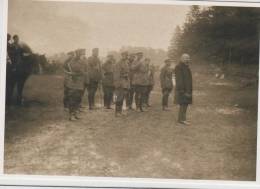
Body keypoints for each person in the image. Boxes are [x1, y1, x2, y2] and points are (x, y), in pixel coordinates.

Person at [65, 49, 86, 121]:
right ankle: (71, 115)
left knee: (78, 99)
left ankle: (75, 114)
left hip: (80, 83)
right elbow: (77, 70)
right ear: (76, 53)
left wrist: (82, 72)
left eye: (81, 54)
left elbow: (83, 70)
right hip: (74, 82)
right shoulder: (72, 61)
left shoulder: (81, 61)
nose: (80, 55)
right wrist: (80, 72)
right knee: (72, 99)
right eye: (79, 53)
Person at [174, 54, 193, 125]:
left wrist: (189, 90)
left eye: (188, 58)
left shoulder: (186, 67)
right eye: (185, 58)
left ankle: (182, 119)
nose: (187, 60)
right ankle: (181, 120)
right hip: (183, 90)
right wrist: (182, 90)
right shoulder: (178, 67)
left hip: (188, 89)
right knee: (183, 104)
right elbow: (179, 80)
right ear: (181, 59)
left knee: (186, 104)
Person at [114, 51, 130, 116]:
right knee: (119, 97)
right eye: (124, 55)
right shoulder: (119, 63)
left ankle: (120, 111)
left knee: (122, 97)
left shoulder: (125, 63)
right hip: (120, 82)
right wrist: (117, 83)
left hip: (124, 82)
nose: (126, 57)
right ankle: (117, 112)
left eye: (126, 55)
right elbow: (116, 74)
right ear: (122, 56)